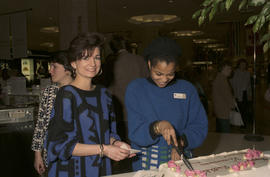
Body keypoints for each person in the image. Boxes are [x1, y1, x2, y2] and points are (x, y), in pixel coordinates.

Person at [46, 32, 134, 177]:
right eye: (85, 58)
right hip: (72, 170)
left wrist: (116, 143)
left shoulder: (104, 94)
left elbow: (108, 132)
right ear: (74, 63)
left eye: (97, 57)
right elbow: (59, 145)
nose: (93, 63)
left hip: (100, 168)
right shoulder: (67, 95)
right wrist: (104, 149)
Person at [125, 37, 208, 171]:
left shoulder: (187, 89)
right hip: (146, 163)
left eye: (170, 74)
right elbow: (135, 132)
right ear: (149, 64)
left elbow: (199, 126)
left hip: (180, 159)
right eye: (158, 73)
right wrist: (158, 126)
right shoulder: (136, 89)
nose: (164, 79)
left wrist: (180, 143)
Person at [31, 51, 74, 176]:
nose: (50, 71)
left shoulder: (79, 93)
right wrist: (37, 154)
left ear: (68, 69)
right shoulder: (49, 92)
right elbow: (41, 125)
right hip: (51, 155)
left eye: (54, 66)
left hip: (74, 154)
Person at [104, 35, 148, 140]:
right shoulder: (139, 59)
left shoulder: (111, 62)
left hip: (118, 106)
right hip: (139, 106)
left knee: (122, 139)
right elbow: (147, 81)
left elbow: (107, 85)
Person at [212, 60, 235, 133]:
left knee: (220, 131)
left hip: (219, 108)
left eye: (230, 68)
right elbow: (227, 95)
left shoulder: (219, 77)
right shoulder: (222, 79)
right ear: (222, 69)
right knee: (226, 132)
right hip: (223, 109)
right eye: (228, 69)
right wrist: (232, 105)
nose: (230, 70)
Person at [230, 58, 252, 127]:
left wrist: (250, 94)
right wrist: (233, 94)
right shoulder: (235, 72)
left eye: (244, 65)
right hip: (238, 93)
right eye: (242, 64)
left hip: (245, 93)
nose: (243, 66)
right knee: (239, 109)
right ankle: (239, 123)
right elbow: (232, 83)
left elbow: (249, 85)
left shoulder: (247, 73)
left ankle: (244, 123)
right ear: (239, 65)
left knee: (245, 109)